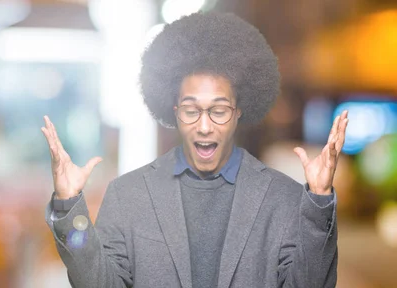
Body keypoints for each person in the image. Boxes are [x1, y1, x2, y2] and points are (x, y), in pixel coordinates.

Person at [41, 11, 348, 288]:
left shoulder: (282, 198)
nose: (204, 126)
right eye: (191, 110)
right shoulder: (128, 195)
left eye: (219, 110)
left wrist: (319, 200)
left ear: (239, 111)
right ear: (174, 111)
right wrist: (70, 208)